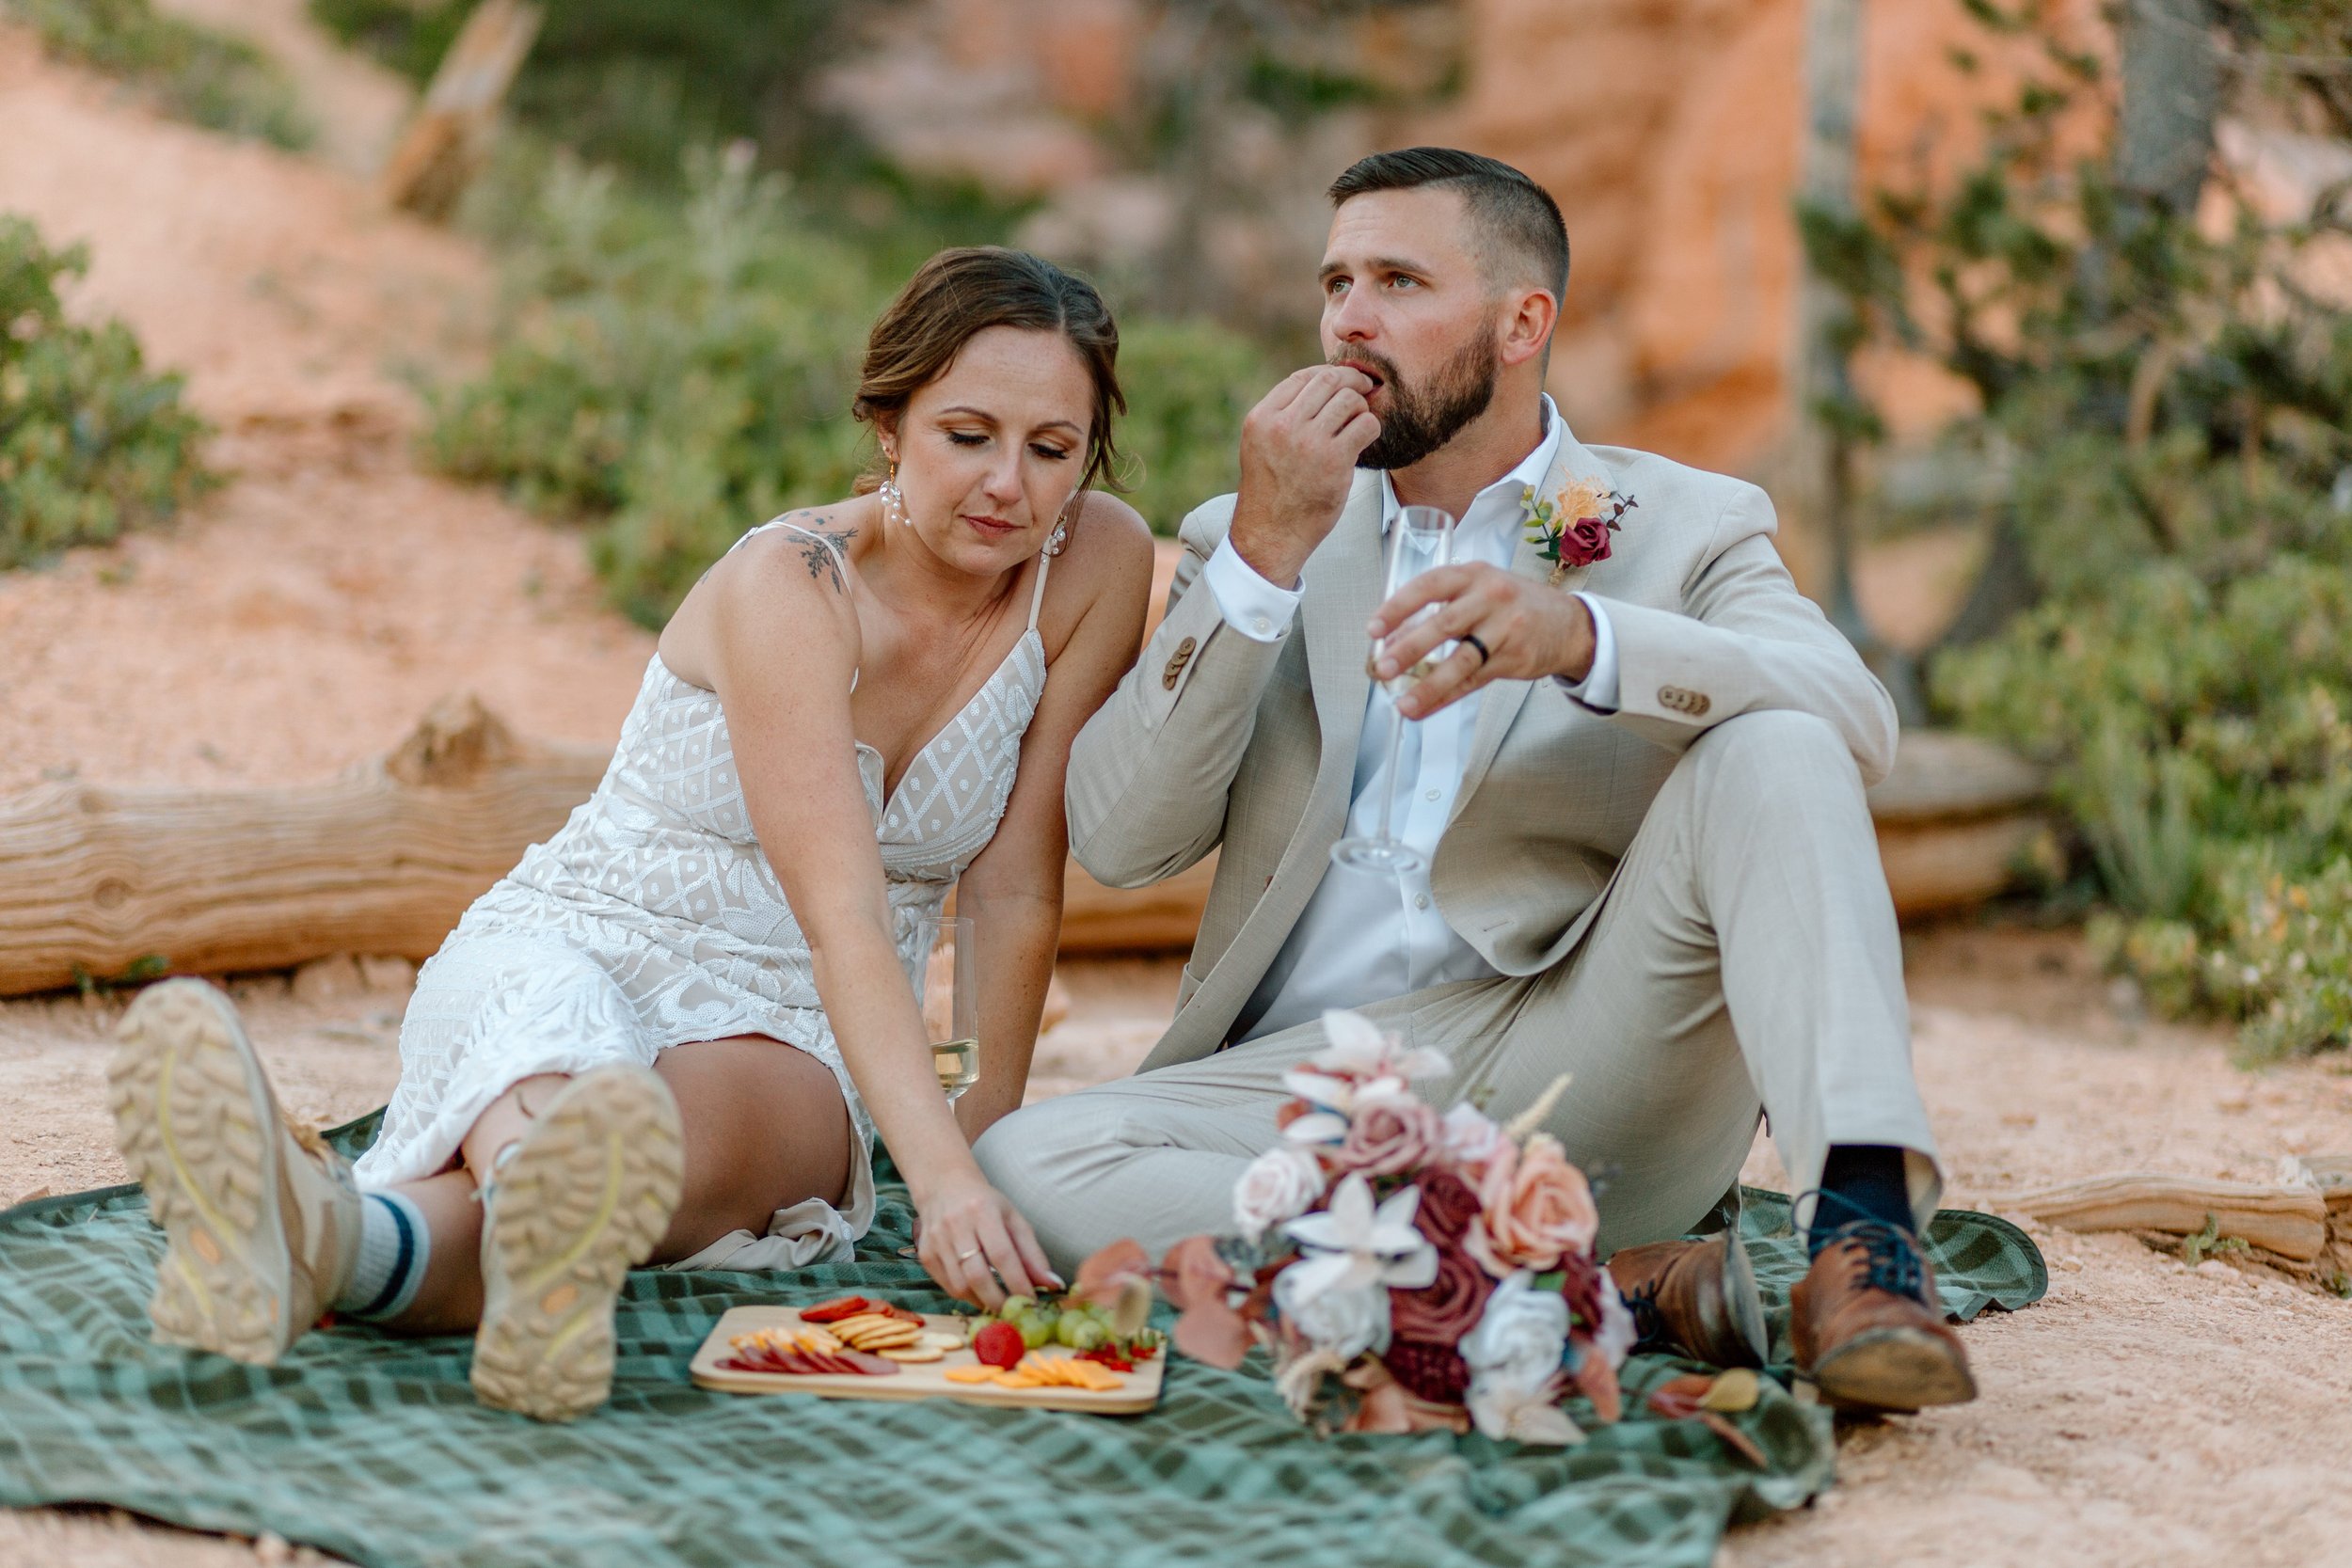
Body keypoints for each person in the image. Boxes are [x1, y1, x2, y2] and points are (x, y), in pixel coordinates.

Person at [973, 149, 1976, 1414]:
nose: (1350, 317)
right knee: (1026, 1162)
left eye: (1398, 279)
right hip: (1305, 1081)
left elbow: (1855, 719)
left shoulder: (1678, 520)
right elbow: (1118, 842)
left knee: (1777, 736)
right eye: (1337, 281)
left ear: (1522, 322)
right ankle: (1612, 1282)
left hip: (1571, 1037)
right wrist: (1267, 556)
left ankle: (1866, 1244)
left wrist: (1584, 639)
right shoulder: (1254, 533)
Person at [105, 246, 1155, 1421]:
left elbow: (1015, 881)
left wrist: (982, 1141)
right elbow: (841, 905)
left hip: (797, 1023)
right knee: (557, 1075)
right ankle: (463, 1230)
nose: (1008, 482)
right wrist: (945, 1178)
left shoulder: (1095, 565)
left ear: (1085, 456)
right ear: (889, 421)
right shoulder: (791, 584)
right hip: (590, 927)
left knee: (636, 1152)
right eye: (968, 434)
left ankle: (315, 1231)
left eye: (1050, 449)